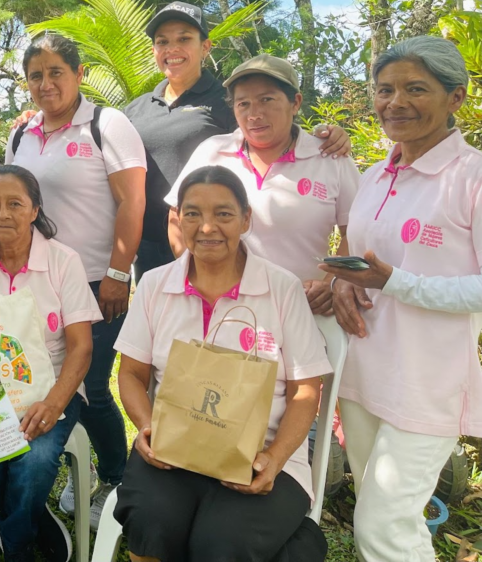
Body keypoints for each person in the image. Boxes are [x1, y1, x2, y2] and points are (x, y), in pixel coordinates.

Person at [114, 166, 332, 561]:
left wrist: (275, 459)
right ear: (178, 218)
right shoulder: (155, 285)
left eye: (224, 214)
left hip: (261, 454)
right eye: (193, 213)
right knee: (151, 519)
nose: (207, 227)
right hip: (174, 447)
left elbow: (305, 390)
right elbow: (130, 374)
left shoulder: (281, 288)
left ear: (246, 218)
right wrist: (148, 427)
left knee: (222, 542)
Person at [322, 36, 482, 562]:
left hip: (428, 383)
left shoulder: (472, 177)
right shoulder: (374, 176)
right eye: (385, 89)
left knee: (381, 527)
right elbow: (359, 259)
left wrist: (394, 282)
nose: (396, 102)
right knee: (385, 513)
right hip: (364, 374)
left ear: (455, 97)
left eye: (416, 88)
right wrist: (346, 280)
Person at [7, 33, 147, 525]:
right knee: (43, 379)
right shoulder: (21, 134)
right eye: (35, 75)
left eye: (56, 72)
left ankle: (115, 478)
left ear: (79, 73)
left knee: (88, 384)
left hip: (94, 283)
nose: (46, 84)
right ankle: (70, 466)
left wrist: (116, 272)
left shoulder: (108, 125)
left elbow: (133, 202)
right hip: (36, 281)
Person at [0, 165, 103, 562]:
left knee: (38, 459)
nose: (3, 214)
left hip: (48, 386)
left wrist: (55, 402)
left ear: (34, 210)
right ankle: (30, 516)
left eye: (15, 204)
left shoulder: (63, 261)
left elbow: (81, 348)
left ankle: (17, 545)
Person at [123, 2, 350, 282]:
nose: (252, 112)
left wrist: (325, 135)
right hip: (157, 242)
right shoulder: (136, 109)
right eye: (163, 42)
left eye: (184, 39)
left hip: (214, 245)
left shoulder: (224, 99)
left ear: (205, 46)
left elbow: (272, 133)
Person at [166, 54, 361, 314]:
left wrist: (332, 282)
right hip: (220, 307)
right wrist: (195, 279)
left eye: (266, 100)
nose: (254, 114)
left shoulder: (329, 158)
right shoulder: (212, 151)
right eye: (243, 104)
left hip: (304, 310)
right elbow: (177, 218)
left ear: (295, 102)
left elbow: (357, 230)